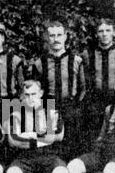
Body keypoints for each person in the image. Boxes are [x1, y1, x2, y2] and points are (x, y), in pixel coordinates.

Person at [5, 79, 69, 173]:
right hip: (24, 157)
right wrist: (43, 137)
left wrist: (28, 135)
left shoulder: (52, 112)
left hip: (49, 156)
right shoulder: (15, 115)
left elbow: (58, 136)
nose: (30, 98)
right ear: (22, 96)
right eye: (26, 95)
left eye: (34, 94)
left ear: (41, 94)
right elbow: (13, 140)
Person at [30, 20, 86, 158]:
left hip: (71, 108)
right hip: (49, 107)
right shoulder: (39, 63)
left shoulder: (77, 60)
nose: (56, 39)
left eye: (59, 35)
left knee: (73, 148)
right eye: (52, 35)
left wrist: (77, 106)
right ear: (46, 38)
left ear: (65, 36)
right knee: (51, 148)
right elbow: (36, 91)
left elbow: (83, 88)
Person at [81, 18, 115, 144]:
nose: (104, 34)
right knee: (95, 137)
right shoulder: (88, 54)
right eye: (101, 31)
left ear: (113, 33)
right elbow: (83, 80)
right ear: (97, 34)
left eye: (108, 30)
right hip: (95, 102)